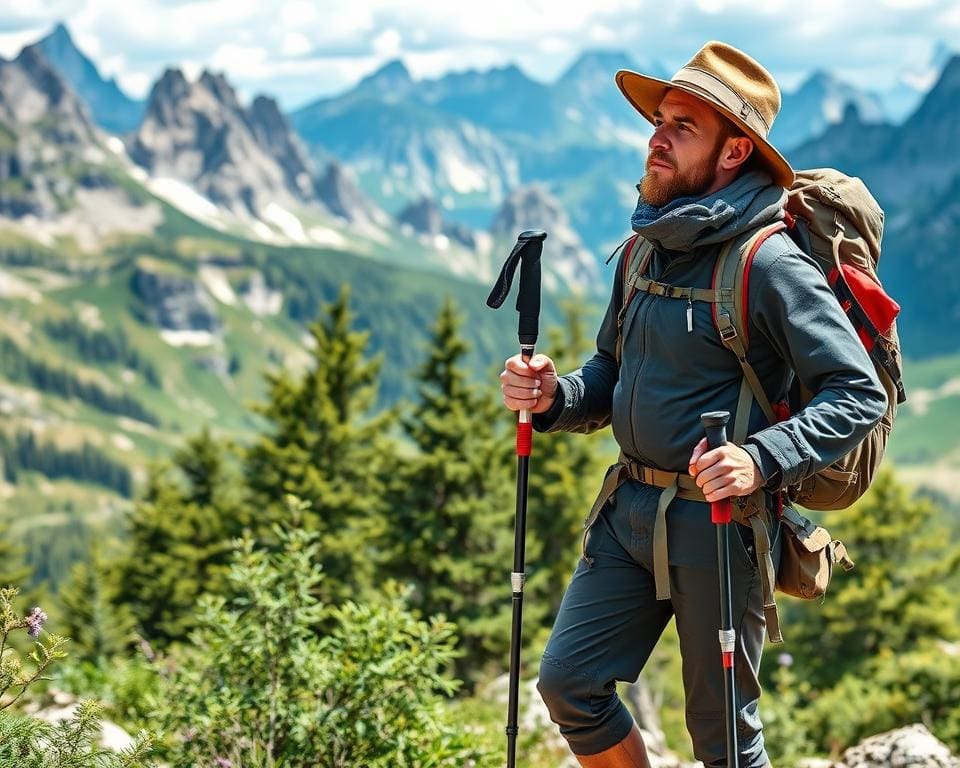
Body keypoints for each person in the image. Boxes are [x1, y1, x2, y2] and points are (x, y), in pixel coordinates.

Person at [498, 41, 887, 768]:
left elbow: (857, 390)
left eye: (683, 125)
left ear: (736, 150)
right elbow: (609, 375)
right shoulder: (647, 246)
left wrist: (759, 459)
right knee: (570, 684)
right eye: (659, 119)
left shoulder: (768, 263)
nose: (656, 137)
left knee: (724, 743)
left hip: (722, 527)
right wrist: (556, 398)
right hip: (630, 514)